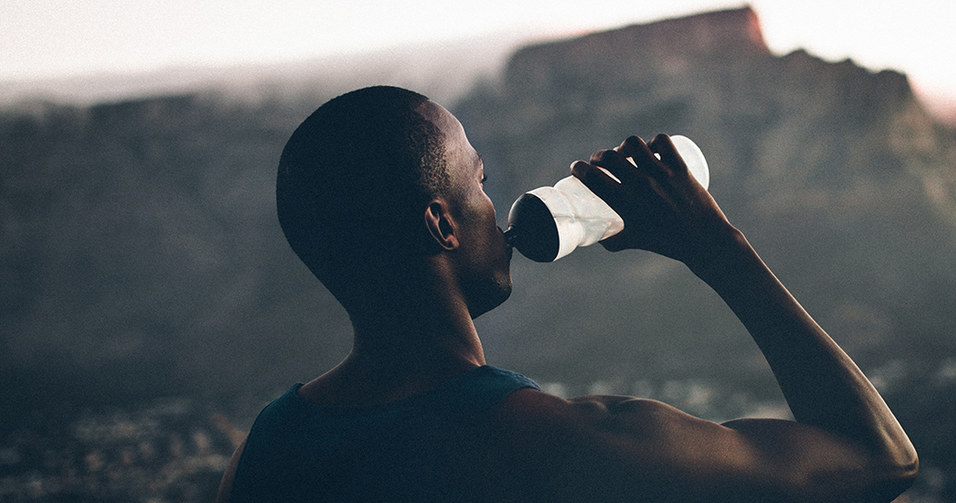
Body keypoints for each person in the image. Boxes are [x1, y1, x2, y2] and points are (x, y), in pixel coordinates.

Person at [216, 85, 917, 502]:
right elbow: (879, 456)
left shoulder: (267, 450)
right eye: (481, 183)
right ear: (441, 222)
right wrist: (717, 247)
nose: (494, 205)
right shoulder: (545, 440)